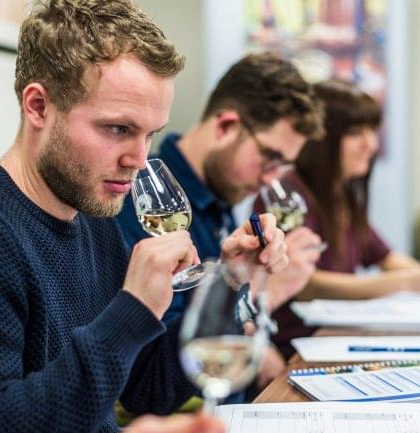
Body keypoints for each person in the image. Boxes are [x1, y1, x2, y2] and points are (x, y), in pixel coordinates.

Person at [0, 1, 284, 433]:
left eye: (150, 134)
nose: (139, 160)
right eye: (118, 129)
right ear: (39, 106)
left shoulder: (93, 215)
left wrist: (229, 283)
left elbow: (145, 386)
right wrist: (132, 310)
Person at [116, 52, 325, 390]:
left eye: (283, 167)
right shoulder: (139, 201)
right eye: (270, 158)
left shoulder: (221, 199)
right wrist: (260, 290)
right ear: (227, 126)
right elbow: (151, 385)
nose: (271, 179)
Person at [257, 79, 420, 358]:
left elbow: (385, 256)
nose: (370, 144)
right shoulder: (286, 195)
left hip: (331, 338)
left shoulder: (342, 195)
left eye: (373, 131)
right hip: (295, 348)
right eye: (356, 132)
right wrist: (412, 280)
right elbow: (304, 283)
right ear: (322, 138)